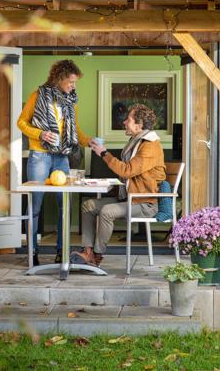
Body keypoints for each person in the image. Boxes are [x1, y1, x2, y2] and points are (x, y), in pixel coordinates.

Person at [17, 60, 92, 266]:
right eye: (70, 82)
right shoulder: (38, 96)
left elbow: (75, 130)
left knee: (64, 205)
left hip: (61, 156)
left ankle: (61, 250)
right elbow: (21, 122)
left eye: (75, 82)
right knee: (35, 206)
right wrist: (41, 133)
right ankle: (32, 252)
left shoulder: (70, 101)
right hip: (40, 155)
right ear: (59, 79)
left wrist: (89, 141)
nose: (73, 86)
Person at [71, 104, 166, 267]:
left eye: (128, 119)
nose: (124, 122)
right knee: (88, 205)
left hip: (144, 203)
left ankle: (97, 255)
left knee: (107, 211)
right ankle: (87, 251)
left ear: (139, 124)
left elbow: (127, 171)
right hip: (129, 198)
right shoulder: (136, 141)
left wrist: (103, 153)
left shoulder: (150, 145)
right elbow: (129, 175)